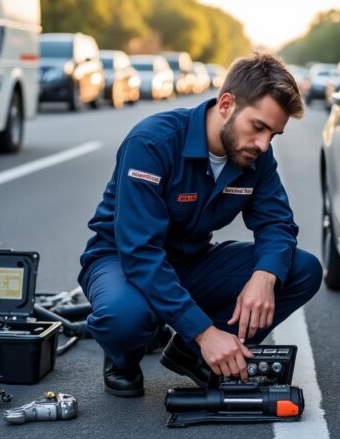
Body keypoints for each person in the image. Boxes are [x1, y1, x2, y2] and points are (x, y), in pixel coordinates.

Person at [78, 53, 322, 397]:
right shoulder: (152, 142)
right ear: (226, 105)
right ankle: (123, 358)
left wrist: (264, 276)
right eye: (258, 127)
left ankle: (191, 354)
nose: (264, 144)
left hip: (190, 261)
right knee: (125, 318)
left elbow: (277, 223)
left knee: (300, 269)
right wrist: (205, 331)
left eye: (274, 134)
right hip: (122, 261)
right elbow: (140, 253)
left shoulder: (257, 155)